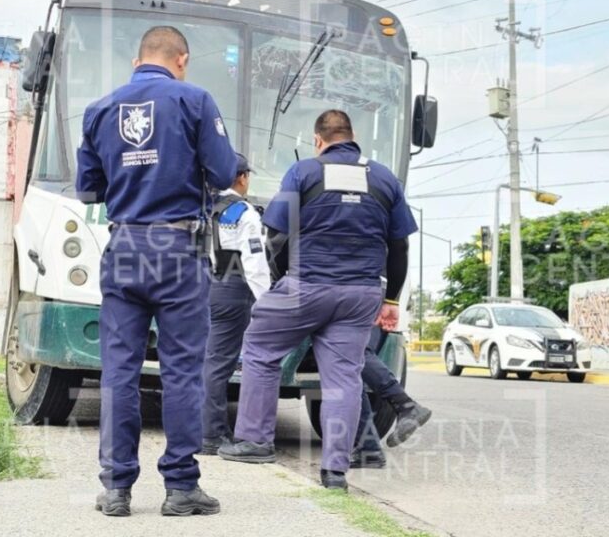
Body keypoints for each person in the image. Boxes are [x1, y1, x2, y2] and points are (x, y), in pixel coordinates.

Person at [76, 25, 237, 517]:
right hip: (177, 248)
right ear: (181, 59)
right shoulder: (195, 100)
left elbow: (88, 189)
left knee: (119, 372)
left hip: (124, 245)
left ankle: (117, 489)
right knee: (182, 370)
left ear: (137, 60)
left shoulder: (100, 109)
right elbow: (226, 172)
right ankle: (181, 487)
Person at [219, 110, 417, 492]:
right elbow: (400, 245)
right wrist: (390, 297)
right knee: (343, 377)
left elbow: (275, 234)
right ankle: (335, 472)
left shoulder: (305, 172)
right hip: (362, 294)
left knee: (260, 347)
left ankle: (255, 440)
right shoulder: (384, 178)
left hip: (306, 285)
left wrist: (280, 281)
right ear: (352, 137)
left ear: (318, 140)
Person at [200, 153, 271, 454]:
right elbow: (254, 262)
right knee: (219, 363)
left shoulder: (204, 207)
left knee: (207, 359)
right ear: (241, 178)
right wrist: (267, 302)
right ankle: (212, 435)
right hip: (233, 290)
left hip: (204, 288)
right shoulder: (244, 212)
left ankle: (207, 429)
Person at [350, 327, 432, 469]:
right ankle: (368, 449)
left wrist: (390, 303)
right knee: (348, 372)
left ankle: (406, 405)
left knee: (355, 353)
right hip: (350, 313)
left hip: (366, 312)